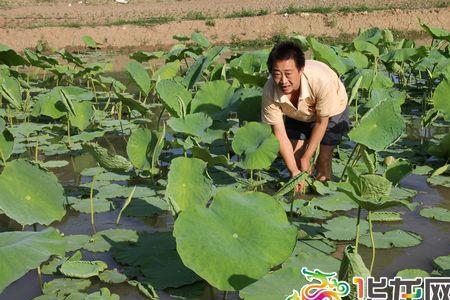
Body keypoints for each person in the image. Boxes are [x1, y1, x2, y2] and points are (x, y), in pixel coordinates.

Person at [261, 41, 349, 190]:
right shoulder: (270, 92)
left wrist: (307, 156)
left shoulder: (322, 81)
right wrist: (294, 171)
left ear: (300, 70)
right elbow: (279, 134)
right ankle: (302, 200)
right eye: (277, 74)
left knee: (323, 159)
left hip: (331, 110)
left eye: (288, 74)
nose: (283, 81)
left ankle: (322, 197)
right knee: (295, 162)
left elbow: (322, 122)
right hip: (296, 113)